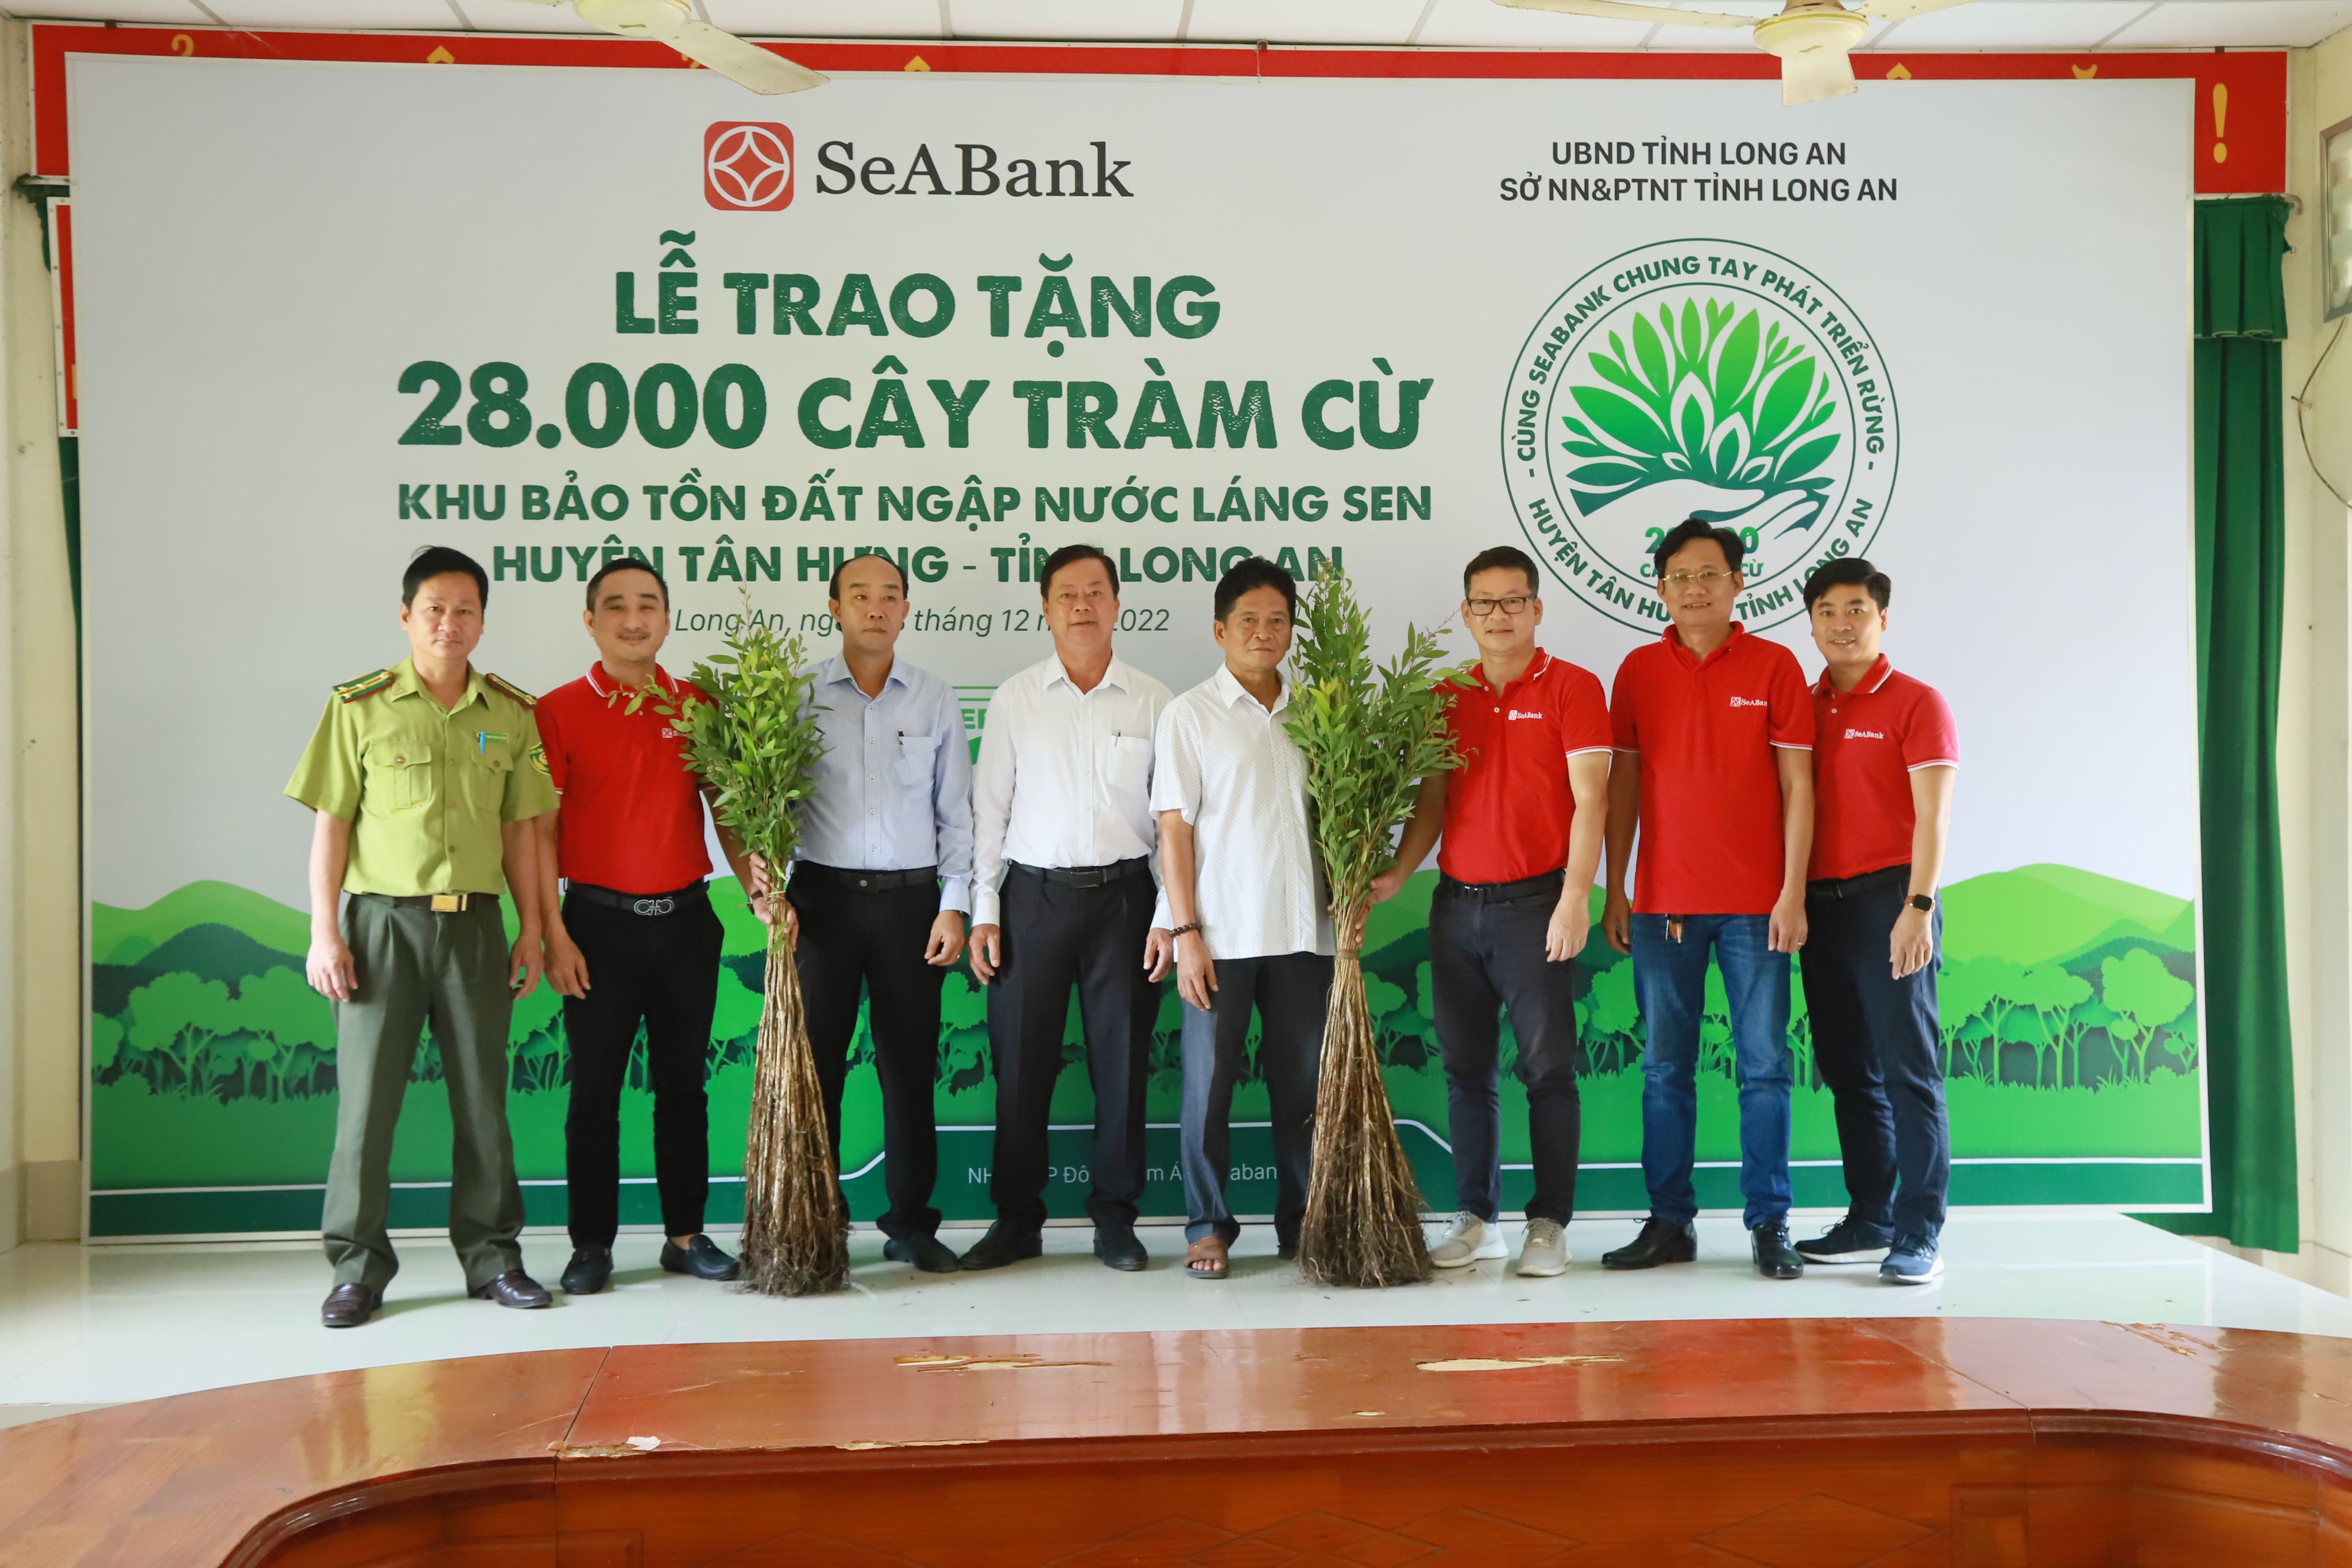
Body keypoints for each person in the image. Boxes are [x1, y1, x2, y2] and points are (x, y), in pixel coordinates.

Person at [287, 545, 556, 1327]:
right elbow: (331, 826)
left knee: (483, 1102)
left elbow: (522, 831)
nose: (450, 623)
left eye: (466, 609)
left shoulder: (509, 712)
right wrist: (324, 933)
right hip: (381, 927)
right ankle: (357, 1267)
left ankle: (493, 1257)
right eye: (434, 608)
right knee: (367, 1109)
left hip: (475, 924)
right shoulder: (359, 707)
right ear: (406, 615)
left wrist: (531, 930)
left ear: (483, 621)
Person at [1370, 545, 1611, 1278]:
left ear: (1536, 608)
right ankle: (1477, 1218)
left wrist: (1575, 898)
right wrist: (1398, 872)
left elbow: (1592, 800)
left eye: (1512, 601)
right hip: (1455, 908)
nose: (1498, 615)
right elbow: (1432, 801)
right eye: (1484, 602)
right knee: (1465, 1071)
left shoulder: (1573, 687)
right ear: (1466, 613)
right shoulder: (1446, 695)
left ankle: (1549, 1224)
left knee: (1547, 1070)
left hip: (1537, 906)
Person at [534, 559, 760, 1296]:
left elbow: (727, 811)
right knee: (593, 1093)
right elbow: (539, 831)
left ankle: (685, 1235)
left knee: (683, 1088)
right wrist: (553, 933)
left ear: (667, 618)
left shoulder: (697, 706)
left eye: (648, 605)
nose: (633, 620)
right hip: (596, 928)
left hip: (687, 923)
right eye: (616, 606)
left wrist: (758, 888)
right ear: (590, 620)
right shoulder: (557, 710)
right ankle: (591, 1244)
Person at [1599, 518, 1816, 1280]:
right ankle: (1670, 1221)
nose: (1695, 588)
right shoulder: (1636, 671)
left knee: (1764, 1068)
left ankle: (1769, 1221)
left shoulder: (1775, 665)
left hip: (1758, 908)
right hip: (1663, 906)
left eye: (1710, 574)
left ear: (1737, 583)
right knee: (1665, 1070)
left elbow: (1798, 786)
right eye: (1681, 576)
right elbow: (1623, 784)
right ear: (1661, 587)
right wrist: (1615, 885)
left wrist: (1792, 892)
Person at [965, 544, 1172, 1272]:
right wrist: (984, 909)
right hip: (1032, 900)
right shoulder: (1015, 698)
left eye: (1095, 592)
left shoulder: (1154, 700)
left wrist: (1166, 915)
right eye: (1066, 594)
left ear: (1117, 604)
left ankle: (1115, 1218)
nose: (1082, 605)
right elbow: (989, 812)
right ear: (1046, 609)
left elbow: (1173, 822)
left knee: (1122, 1066)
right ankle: (1016, 1219)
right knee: (1020, 1066)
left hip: (1127, 900)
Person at [782, 551, 974, 1275]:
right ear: (834, 607)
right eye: (859, 594)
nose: (876, 607)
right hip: (822, 904)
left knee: (909, 1068)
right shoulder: (800, 696)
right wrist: (776, 893)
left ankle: (910, 1224)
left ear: (905, 610)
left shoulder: (933, 696)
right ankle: (816, 1224)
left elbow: (956, 814)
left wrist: (953, 906)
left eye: (890, 595)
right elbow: (773, 807)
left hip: (910, 906)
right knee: (818, 1069)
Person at [1150, 558, 1332, 1280]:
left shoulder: (1316, 712)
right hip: (1220, 937)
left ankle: (1302, 1222)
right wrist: (1185, 933)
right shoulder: (1189, 715)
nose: (1264, 632)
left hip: (1302, 936)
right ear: (1220, 630)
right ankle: (1206, 1226)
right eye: (1249, 620)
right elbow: (1174, 831)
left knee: (1303, 1090)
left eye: (1277, 620)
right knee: (1207, 1088)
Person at [1792, 559, 1958, 1286]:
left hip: (1891, 901)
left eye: (1856, 609)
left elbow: (1934, 817)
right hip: (1819, 908)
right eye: (1826, 611)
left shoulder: (1917, 702)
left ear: (1882, 618)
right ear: (1811, 623)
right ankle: (1871, 1218)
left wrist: (1917, 907)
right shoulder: (1803, 706)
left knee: (1907, 1071)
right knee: (1848, 1071)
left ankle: (1919, 1231)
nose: (1841, 624)